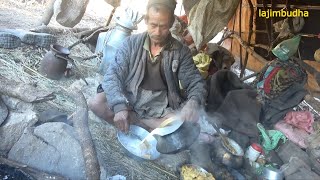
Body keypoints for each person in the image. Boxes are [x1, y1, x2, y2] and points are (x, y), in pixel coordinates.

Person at [89, 0, 207, 133]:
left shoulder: (180, 51)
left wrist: (193, 102)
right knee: (96, 104)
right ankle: (150, 127)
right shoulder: (130, 44)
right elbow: (113, 74)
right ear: (146, 20)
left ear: (171, 23)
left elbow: (196, 82)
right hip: (129, 95)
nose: (157, 32)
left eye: (163, 26)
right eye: (153, 25)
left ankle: (140, 123)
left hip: (159, 105)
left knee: (179, 123)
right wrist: (119, 106)